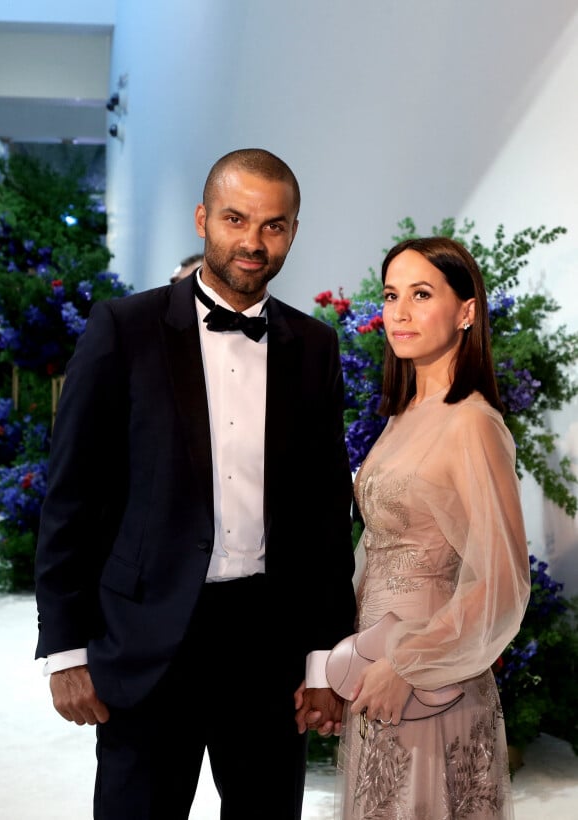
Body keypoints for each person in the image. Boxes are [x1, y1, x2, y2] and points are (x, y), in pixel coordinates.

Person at [34, 147, 357, 820]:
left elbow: (327, 515)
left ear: (292, 231)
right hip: (149, 635)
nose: (253, 241)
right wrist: (65, 649)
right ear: (203, 218)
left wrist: (327, 659)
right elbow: (71, 497)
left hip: (268, 645)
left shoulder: (313, 347)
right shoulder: (124, 329)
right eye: (236, 219)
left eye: (274, 225)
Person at [332, 237, 531, 819]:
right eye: (392, 295)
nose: (400, 312)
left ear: (466, 311)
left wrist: (409, 664)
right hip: (376, 668)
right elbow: (377, 548)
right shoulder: (404, 416)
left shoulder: (472, 424)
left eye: (422, 294)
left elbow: (501, 581)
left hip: (430, 676)